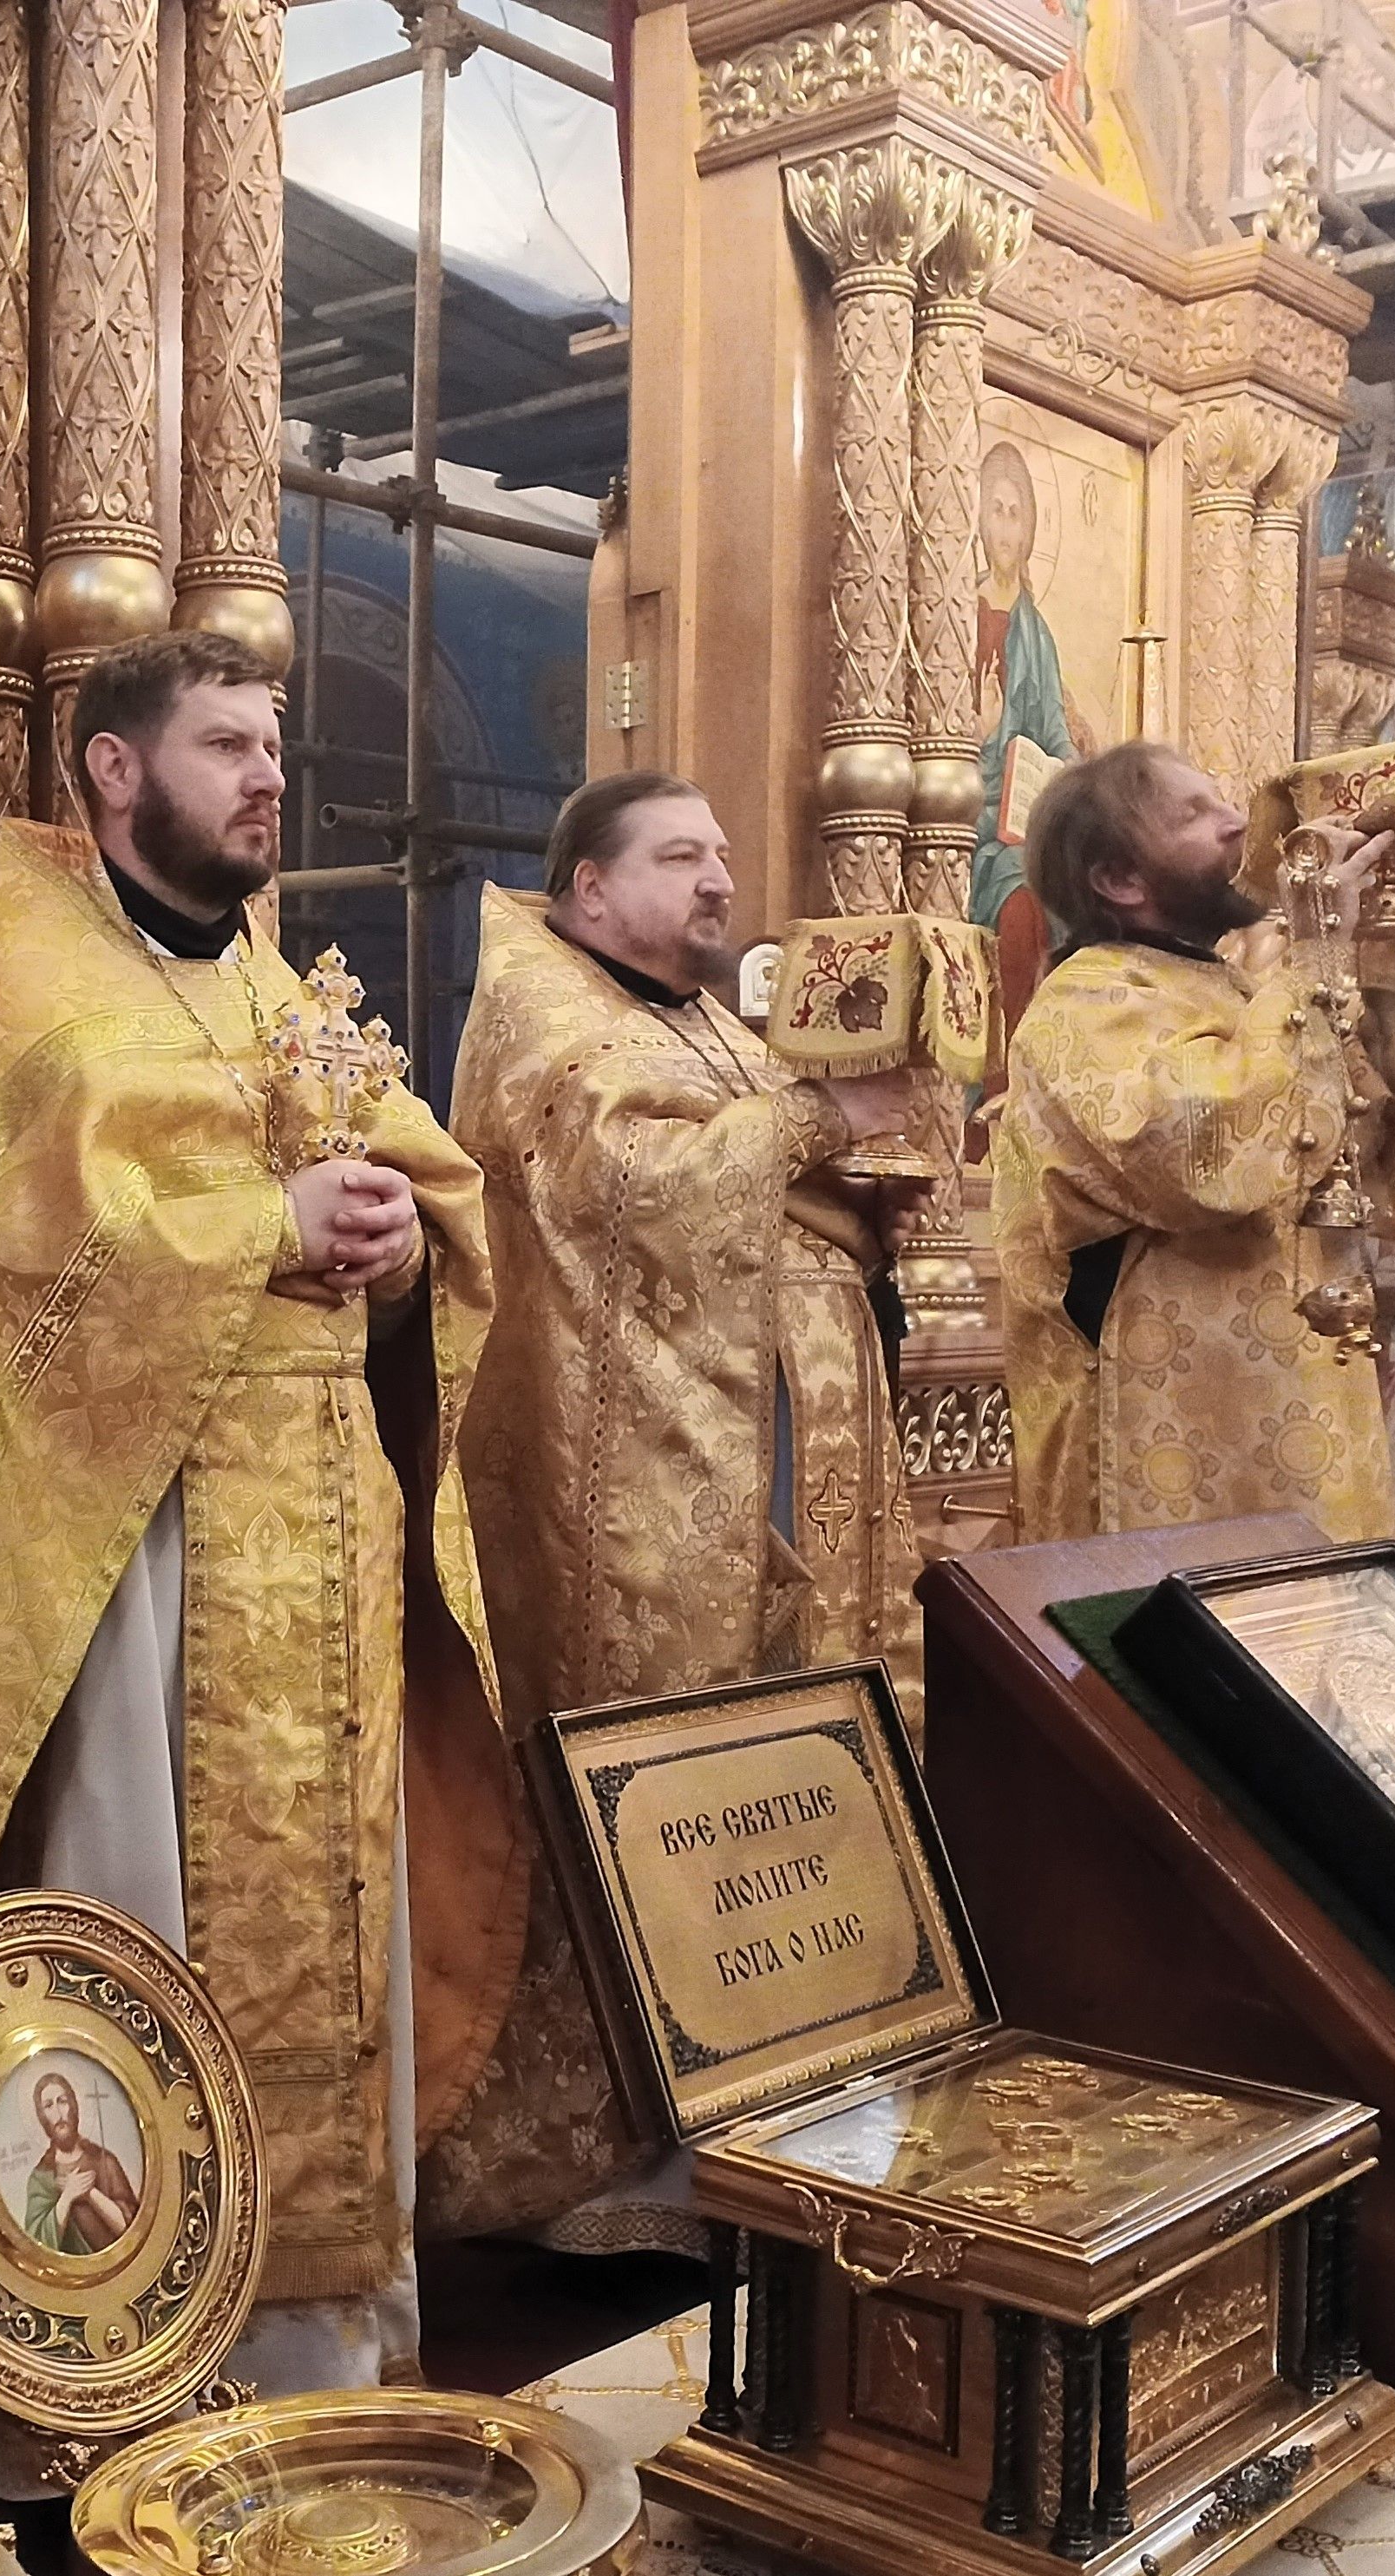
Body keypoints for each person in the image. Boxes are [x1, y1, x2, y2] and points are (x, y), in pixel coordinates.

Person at [0, 632, 534, 2433]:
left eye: (271, 746)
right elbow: (11, 1259)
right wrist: (261, 1226)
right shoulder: (39, 990)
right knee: (128, 1906)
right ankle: (111, 2363)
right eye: (226, 744)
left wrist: (401, 1242)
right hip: (132, 1553)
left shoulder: (276, 990)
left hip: (321, 1534)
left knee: (334, 1918)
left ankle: (320, 2353)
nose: (267, 777)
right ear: (112, 770)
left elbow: (416, 1182)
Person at [441, 770, 936, 2256]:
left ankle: (777, 2096)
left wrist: (856, 1180)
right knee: (655, 1771)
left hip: (760, 1464)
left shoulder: (706, 1021)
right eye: (678, 854)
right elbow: (636, 1188)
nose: (718, 877)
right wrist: (816, 1123)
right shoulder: (545, 1014)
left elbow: (790, 1184)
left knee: (781, 1755)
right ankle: (615, 2145)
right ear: (589, 887)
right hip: (632, 1490)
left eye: (720, 851)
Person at [992, 742, 1395, 1544]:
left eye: (1222, 798)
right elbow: (1201, 1160)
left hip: (1306, 1427)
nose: (1238, 822)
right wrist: (1318, 950)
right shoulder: (1083, 1005)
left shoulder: (1248, 994)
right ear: (1121, 879)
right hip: (1173, 1456)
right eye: (1194, 813)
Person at [968, 439, 1097, 1104]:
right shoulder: (956, 613)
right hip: (967, 812)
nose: (1005, 528)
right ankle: (997, 1087)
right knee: (1020, 905)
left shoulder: (1035, 631)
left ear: (1031, 529)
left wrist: (1071, 772)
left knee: (1068, 893)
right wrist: (981, 733)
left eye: (1016, 513)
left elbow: (1052, 733)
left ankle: (1042, 1086)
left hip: (1022, 815)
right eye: (995, 510)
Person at [19, 2074, 141, 2256]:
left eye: (62, 2101)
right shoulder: (41, 2177)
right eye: (49, 2106)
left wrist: (90, 2193)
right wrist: (67, 2197)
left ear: (73, 2107)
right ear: (42, 2116)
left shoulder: (105, 2161)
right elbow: (37, 2246)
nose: (58, 2114)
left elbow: (131, 2229)